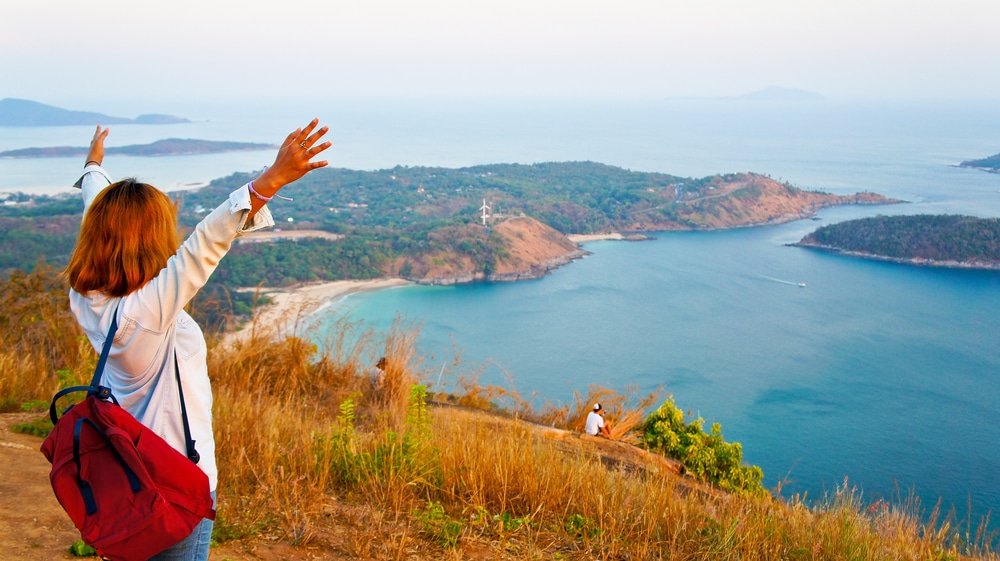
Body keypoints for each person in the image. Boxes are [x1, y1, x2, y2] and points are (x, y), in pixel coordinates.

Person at [65, 119, 332, 561]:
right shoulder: (147, 311)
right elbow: (205, 243)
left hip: (127, 475)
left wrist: (94, 165)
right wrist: (271, 180)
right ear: (149, 240)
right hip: (175, 485)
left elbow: (98, 209)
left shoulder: (88, 295)